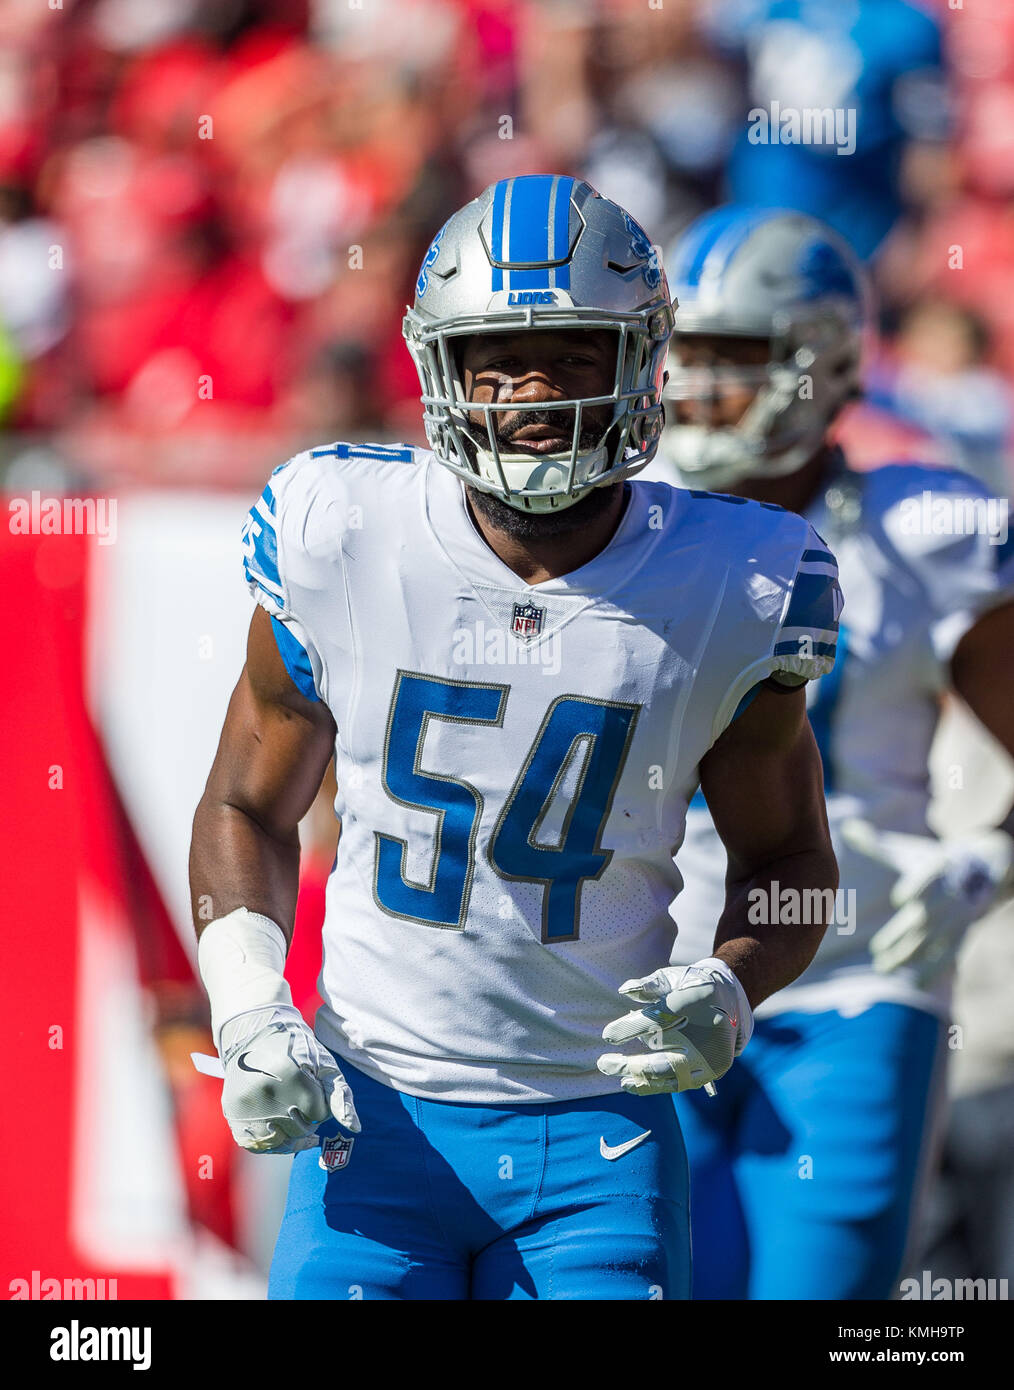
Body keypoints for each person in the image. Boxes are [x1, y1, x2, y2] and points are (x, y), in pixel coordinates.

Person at [189, 176, 841, 1301]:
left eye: (576, 355)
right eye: (497, 356)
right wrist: (250, 1001)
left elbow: (789, 860)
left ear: (641, 361)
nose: (534, 391)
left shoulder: (739, 582)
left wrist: (731, 988)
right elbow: (247, 802)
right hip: (373, 1116)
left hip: (598, 1132)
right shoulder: (342, 532)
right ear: (441, 367)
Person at [645, 204, 1014, 1300]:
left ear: (824, 363)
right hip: (649, 970)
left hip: (858, 976)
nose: (702, 391)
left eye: (737, 359)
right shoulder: (629, 524)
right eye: (688, 358)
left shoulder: (923, 527)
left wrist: (987, 854)